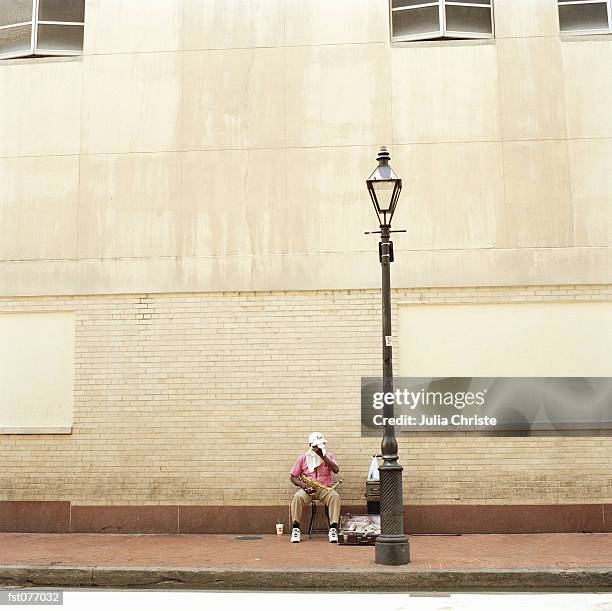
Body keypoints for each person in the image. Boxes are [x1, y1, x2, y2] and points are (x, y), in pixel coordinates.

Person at [289, 432, 340, 543]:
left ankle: (333, 529)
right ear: (311, 445)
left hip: (324, 488)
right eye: (318, 445)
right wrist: (304, 486)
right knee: (297, 497)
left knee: (335, 497)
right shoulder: (303, 458)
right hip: (308, 488)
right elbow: (293, 477)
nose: (321, 447)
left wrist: (323, 456)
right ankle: (296, 528)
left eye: (322, 444)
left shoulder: (329, 456)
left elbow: (336, 470)